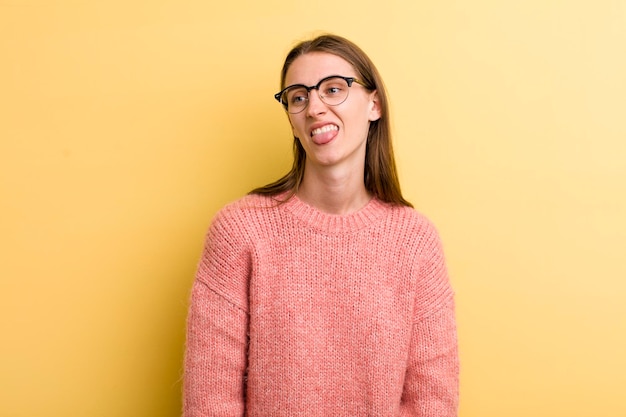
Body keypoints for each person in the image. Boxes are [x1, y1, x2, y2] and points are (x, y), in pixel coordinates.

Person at [183, 34, 459, 416]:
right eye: (298, 97)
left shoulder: (416, 241)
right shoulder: (239, 232)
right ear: (292, 120)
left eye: (333, 89)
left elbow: (432, 404)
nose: (315, 107)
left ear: (373, 104)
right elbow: (211, 402)